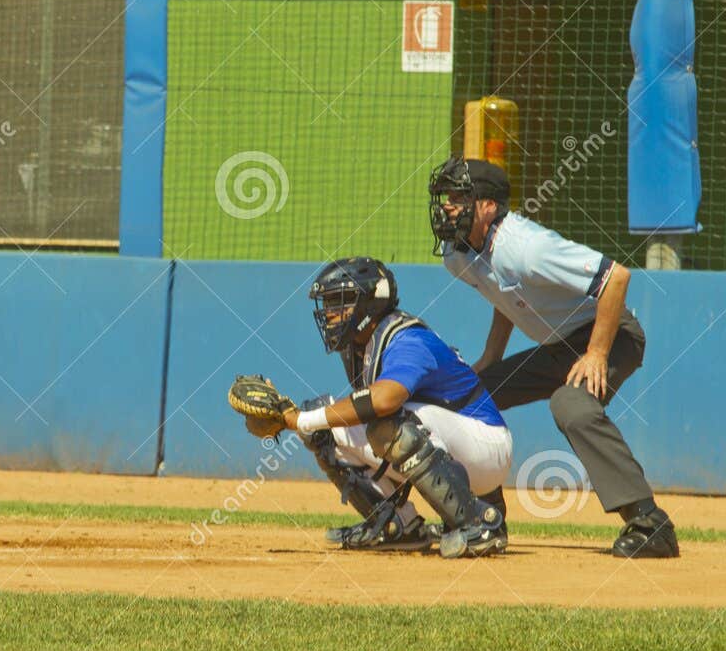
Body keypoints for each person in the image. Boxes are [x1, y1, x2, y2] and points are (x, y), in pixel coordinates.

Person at [428, 156, 678, 558]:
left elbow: (616, 277)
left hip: (612, 336)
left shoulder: (526, 248)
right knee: (468, 398)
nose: (448, 207)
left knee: (571, 405)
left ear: (488, 206)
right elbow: (504, 296)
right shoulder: (458, 256)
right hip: (559, 347)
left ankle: (651, 524)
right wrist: (491, 357)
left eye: (459, 197)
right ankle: (483, 516)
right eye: (445, 198)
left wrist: (597, 353)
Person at [264, 257, 511, 559]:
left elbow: (384, 400)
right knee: (326, 432)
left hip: (485, 445)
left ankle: (477, 523)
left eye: (339, 302)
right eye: (327, 304)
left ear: (370, 304)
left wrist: (300, 420)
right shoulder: (359, 346)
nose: (329, 315)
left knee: (386, 425)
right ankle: (397, 525)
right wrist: (306, 420)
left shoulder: (407, 338)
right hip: (452, 442)